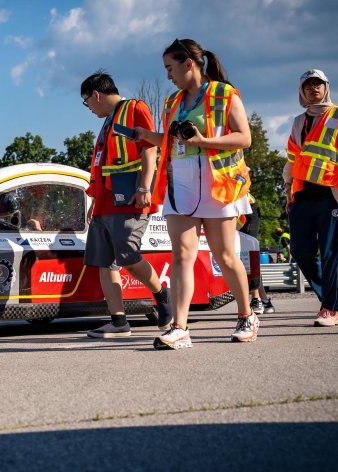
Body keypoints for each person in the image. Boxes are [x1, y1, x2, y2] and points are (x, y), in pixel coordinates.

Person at [134, 39, 256, 349]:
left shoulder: (225, 93)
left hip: (218, 182)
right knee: (182, 255)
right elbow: (173, 141)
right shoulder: (171, 102)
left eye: (170, 68)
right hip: (181, 182)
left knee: (225, 256)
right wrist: (149, 136)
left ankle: (246, 315)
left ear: (189, 64)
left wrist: (203, 141)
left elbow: (245, 138)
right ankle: (180, 328)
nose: (168, 75)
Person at [79, 71, 173, 338]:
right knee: (104, 263)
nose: (89, 108)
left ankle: (162, 295)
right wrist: (94, 199)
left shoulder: (134, 108)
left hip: (130, 197)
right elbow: (102, 164)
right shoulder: (107, 122)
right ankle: (118, 321)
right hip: (104, 201)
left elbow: (149, 147)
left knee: (129, 257)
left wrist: (144, 187)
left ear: (96, 94)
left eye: (87, 101)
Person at [283, 69, 338, 327]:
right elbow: (293, 157)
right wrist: (288, 187)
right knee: (300, 251)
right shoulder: (298, 121)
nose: (313, 88)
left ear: (326, 87)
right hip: (302, 195)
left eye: (317, 84)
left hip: (333, 195)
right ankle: (331, 293)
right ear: (301, 91)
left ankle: (330, 308)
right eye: (307, 85)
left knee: (332, 253)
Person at [238, 194, 276, 314]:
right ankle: (262, 299)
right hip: (222, 208)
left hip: (244, 207)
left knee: (247, 255)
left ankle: (257, 299)